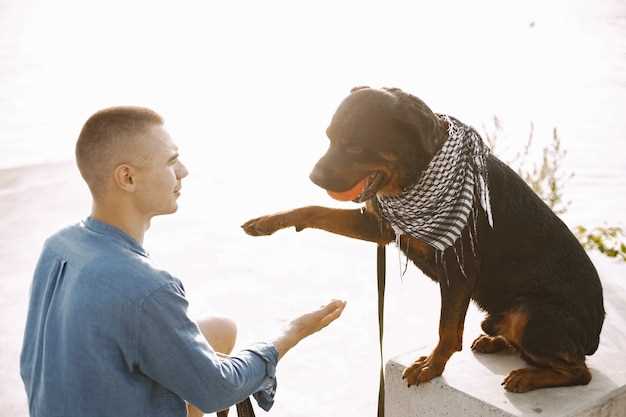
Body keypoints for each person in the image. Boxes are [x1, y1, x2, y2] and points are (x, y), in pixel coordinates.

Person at [19, 106, 346, 417]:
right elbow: (217, 390)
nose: (184, 171)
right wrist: (288, 334)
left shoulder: (59, 245)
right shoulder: (148, 287)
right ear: (128, 178)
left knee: (219, 329)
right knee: (217, 368)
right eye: (171, 161)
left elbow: (31, 362)